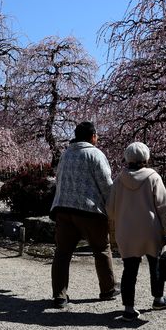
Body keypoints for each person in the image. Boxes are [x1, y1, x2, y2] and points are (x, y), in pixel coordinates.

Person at [50, 121, 118, 309]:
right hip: (89, 210)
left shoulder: (65, 154)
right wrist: (112, 207)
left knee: (62, 253)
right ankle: (108, 289)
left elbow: (58, 179)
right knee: (101, 250)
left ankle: (59, 296)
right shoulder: (95, 154)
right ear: (93, 136)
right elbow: (106, 185)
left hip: (63, 208)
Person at [107, 142, 166, 322]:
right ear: (146, 158)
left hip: (126, 233)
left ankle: (129, 309)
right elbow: (163, 207)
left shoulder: (118, 181)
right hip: (151, 230)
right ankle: (158, 300)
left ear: (127, 158)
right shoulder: (153, 177)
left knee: (130, 271)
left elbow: (110, 210)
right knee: (156, 266)